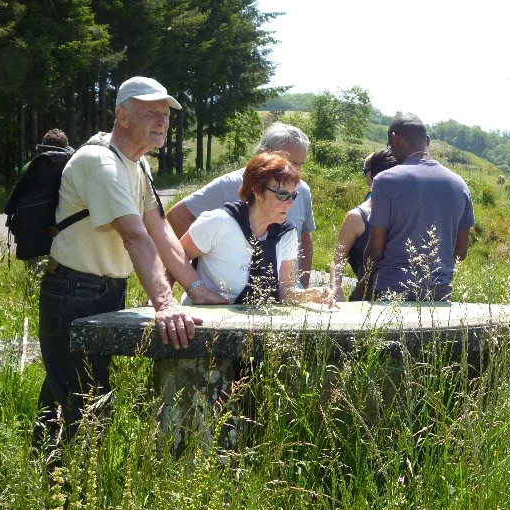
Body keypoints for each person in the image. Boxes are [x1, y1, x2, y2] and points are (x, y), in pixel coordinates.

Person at [37, 76, 227, 451]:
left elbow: (161, 232)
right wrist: (165, 303)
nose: (162, 121)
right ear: (121, 116)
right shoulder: (99, 162)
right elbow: (135, 236)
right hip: (72, 291)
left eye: (166, 114)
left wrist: (196, 289)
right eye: (151, 112)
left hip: (104, 290)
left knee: (70, 394)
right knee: (83, 402)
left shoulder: (137, 165)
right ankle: (65, 493)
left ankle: (50, 479)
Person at [167, 123, 316, 287]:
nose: (296, 171)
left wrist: (302, 283)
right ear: (267, 152)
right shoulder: (229, 185)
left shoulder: (301, 190)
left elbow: (304, 237)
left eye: (300, 165)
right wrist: (202, 270)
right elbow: (178, 216)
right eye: (291, 162)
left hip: (282, 293)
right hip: (226, 300)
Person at [178, 152, 332, 305]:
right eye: (283, 195)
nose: (291, 203)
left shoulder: (287, 233)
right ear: (257, 191)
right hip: (203, 322)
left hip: (253, 323)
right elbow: (175, 256)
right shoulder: (219, 222)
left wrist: (310, 295)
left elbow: (286, 291)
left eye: (293, 196)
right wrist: (198, 292)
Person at [361, 114, 474, 301]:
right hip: (440, 291)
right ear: (427, 141)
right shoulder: (459, 184)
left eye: (390, 145)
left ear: (395, 139)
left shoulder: (385, 181)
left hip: (392, 290)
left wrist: (364, 287)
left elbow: (376, 249)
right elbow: (461, 253)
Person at [329, 148, 398, 302]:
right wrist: (336, 290)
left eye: (364, 171)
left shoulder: (357, 217)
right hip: (365, 301)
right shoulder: (357, 217)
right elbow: (338, 260)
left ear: (371, 175)